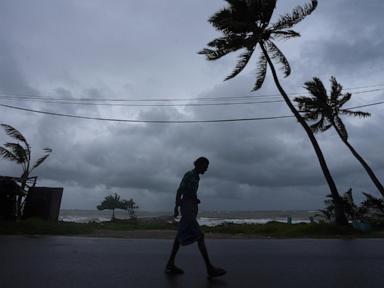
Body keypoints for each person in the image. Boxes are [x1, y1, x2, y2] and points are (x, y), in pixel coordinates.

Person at [165, 157, 226, 278]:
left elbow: (189, 192)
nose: (206, 169)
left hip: (191, 207)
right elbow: (180, 191)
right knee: (200, 236)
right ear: (199, 165)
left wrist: (195, 198)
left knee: (179, 236)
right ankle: (209, 268)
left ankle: (170, 264)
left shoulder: (196, 177)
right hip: (187, 209)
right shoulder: (189, 175)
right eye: (205, 166)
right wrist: (176, 208)